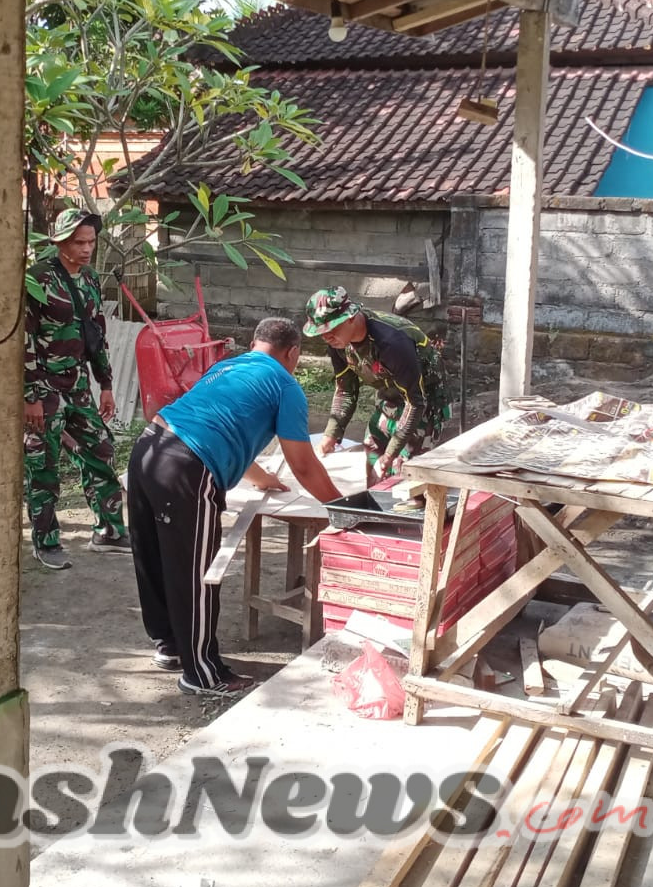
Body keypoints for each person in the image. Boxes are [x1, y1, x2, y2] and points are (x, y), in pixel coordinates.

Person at [128, 317, 343, 697]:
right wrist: (344, 507)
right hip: (185, 468)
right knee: (195, 572)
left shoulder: (228, 367)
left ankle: (170, 645)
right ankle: (203, 673)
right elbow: (304, 464)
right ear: (292, 353)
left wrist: (259, 478)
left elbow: (222, 425)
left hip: (150, 447)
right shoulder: (284, 384)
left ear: (255, 343)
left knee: (155, 558)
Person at [23, 207, 127, 569]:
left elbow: (96, 334)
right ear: (59, 242)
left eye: (91, 242)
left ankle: (110, 530)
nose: (86, 249)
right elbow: (25, 340)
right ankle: (46, 540)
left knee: (100, 449)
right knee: (45, 465)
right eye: (78, 242)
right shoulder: (37, 279)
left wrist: (107, 385)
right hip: (45, 385)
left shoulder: (90, 279)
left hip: (78, 382)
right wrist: (31, 396)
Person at [303, 286, 450, 482]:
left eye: (331, 329)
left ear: (350, 317)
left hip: (424, 403)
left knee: (406, 475)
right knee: (373, 465)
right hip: (388, 397)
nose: (326, 337)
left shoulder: (392, 342)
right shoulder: (338, 343)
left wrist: (390, 455)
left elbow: (415, 403)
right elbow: (346, 390)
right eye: (321, 333)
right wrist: (331, 434)